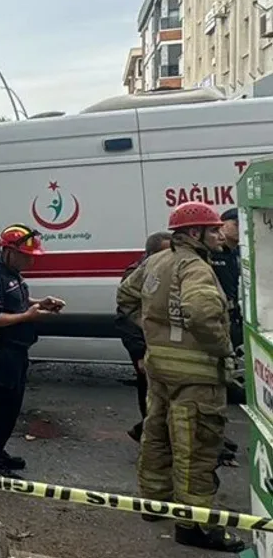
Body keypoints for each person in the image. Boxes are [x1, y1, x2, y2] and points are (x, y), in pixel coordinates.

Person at [116, 201, 244, 553]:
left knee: (157, 435)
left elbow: (125, 297)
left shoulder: (156, 261)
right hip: (197, 377)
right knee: (197, 449)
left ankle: (154, 504)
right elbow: (202, 316)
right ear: (193, 233)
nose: (219, 234)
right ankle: (195, 526)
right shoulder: (196, 267)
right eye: (213, 229)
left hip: (161, 371)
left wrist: (155, 332)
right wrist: (223, 349)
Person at [0, 224, 64, 477]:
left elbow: (17, 301)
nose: (31, 262)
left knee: (12, 408)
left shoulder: (11, 272)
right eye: (26, 256)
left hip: (16, 351)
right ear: (9, 251)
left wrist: (40, 303)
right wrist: (27, 316)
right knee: (0, 410)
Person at [115, 231, 172, 443]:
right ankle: (148, 434)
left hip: (162, 345)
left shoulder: (165, 270)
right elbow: (125, 318)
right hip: (145, 346)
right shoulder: (137, 274)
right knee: (150, 396)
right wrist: (139, 352)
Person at [209, 207, 242, 349]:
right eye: (236, 223)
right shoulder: (212, 253)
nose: (241, 228)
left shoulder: (241, 252)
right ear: (222, 225)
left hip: (235, 314)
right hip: (216, 315)